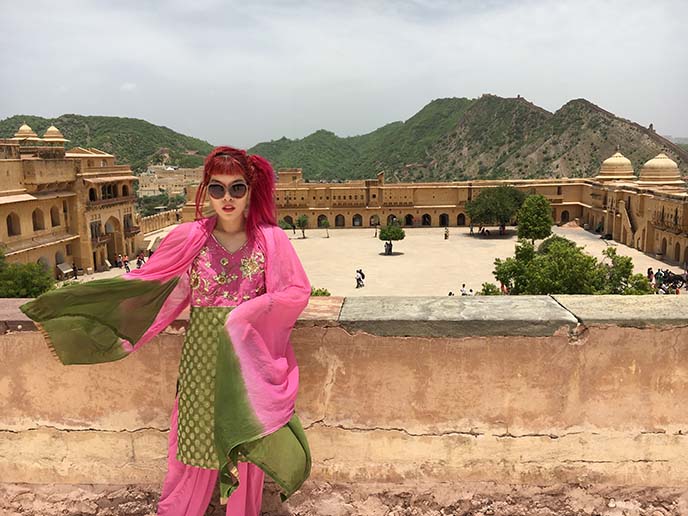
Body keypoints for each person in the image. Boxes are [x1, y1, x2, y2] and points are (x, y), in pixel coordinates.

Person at [20, 146, 312, 516]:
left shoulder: (271, 240)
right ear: (205, 191)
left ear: (251, 191)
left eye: (237, 188)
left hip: (248, 363)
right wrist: (73, 303)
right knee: (193, 445)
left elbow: (294, 292)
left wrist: (244, 315)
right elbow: (146, 284)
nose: (226, 198)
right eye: (217, 188)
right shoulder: (190, 238)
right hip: (201, 360)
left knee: (244, 442)